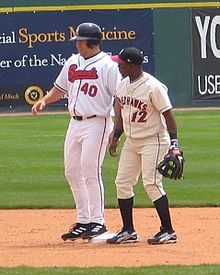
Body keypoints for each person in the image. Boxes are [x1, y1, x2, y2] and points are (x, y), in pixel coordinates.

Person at [32, 22, 121, 241]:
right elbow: (59, 88)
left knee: (90, 171)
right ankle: (83, 220)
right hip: (75, 122)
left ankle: (98, 222)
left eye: (81, 40)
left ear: (93, 42)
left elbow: (119, 97)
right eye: (77, 40)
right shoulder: (73, 62)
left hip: (97, 123)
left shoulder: (108, 66)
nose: (78, 44)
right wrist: (44, 99)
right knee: (72, 171)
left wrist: (117, 129)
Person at [106, 47, 183, 245]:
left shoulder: (153, 86)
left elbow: (168, 115)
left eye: (121, 64)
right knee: (122, 183)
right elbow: (122, 114)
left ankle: (168, 231)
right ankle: (128, 231)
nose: (118, 66)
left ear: (131, 65)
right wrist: (116, 136)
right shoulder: (122, 85)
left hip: (153, 140)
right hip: (132, 141)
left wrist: (174, 144)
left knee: (152, 183)